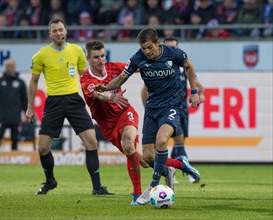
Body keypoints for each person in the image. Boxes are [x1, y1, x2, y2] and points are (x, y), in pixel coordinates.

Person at [81, 40, 201, 205]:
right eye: (96, 57)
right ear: (88, 58)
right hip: (108, 125)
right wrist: (112, 96)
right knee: (145, 160)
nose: (100, 60)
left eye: (102, 56)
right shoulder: (86, 79)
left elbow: (138, 66)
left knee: (129, 144)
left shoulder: (113, 67)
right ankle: (176, 166)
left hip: (125, 113)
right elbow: (97, 94)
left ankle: (136, 195)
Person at [25, 19, 113, 196]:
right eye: (54, 31)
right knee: (42, 148)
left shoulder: (77, 51)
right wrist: (29, 108)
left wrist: (99, 93)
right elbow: (34, 81)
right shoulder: (41, 55)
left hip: (74, 100)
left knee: (91, 141)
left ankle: (97, 188)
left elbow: (85, 77)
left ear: (66, 31)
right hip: (54, 102)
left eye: (61, 30)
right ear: (50, 34)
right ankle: (50, 181)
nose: (58, 33)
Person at [141, 36, 205, 183]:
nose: (172, 49)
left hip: (180, 107)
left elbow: (198, 84)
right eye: (169, 46)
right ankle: (178, 169)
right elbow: (144, 90)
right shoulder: (161, 65)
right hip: (163, 108)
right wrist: (148, 109)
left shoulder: (183, 68)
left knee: (178, 141)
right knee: (163, 142)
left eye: (174, 47)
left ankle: (178, 169)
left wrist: (199, 94)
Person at [0, 59, 27, 151]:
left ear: (14, 67)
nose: (10, 68)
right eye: (8, 66)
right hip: (2, 116)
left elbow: (25, 100)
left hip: (15, 116)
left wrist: (26, 113)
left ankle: (14, 160)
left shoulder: (20, 83)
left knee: (15, 139)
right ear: (5, 68)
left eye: (11, 66)